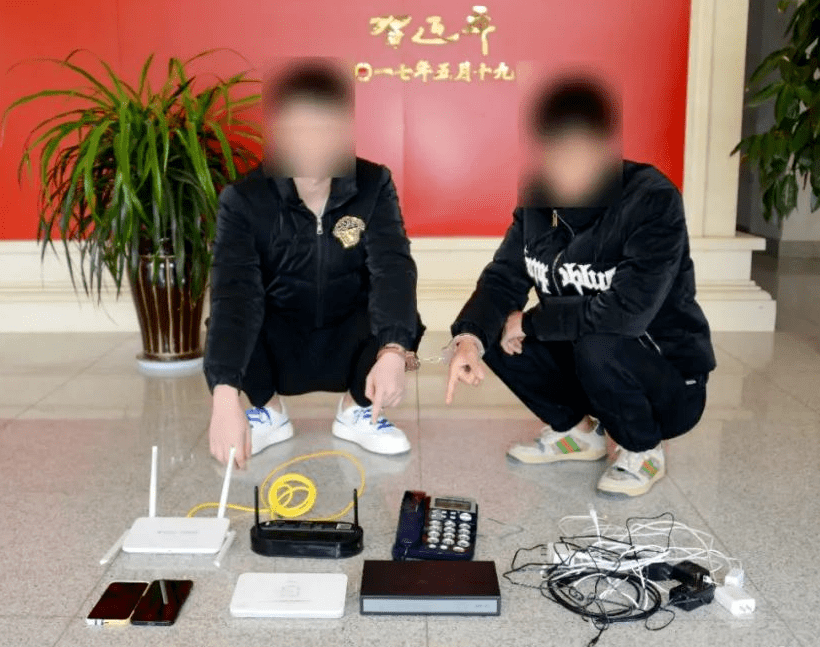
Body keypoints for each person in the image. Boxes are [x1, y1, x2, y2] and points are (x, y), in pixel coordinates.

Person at [445, 75, 716, 497]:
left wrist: (530, 322)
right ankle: (577, 433)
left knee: (599, 341)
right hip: (587, 366)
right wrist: (469, 338)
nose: (562, 167)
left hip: (665, 379)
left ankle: (643, 447)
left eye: (577, 152)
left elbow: (627, 312)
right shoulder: (539, 197)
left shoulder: (652, 199)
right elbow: (504, 277)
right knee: (493, 326)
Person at [205, 61, 423, 468]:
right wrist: (224, 396)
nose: (312, 143)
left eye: (325, 128)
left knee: (401, 315)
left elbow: (393, 269)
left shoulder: (374, 183)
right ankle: (267, 412)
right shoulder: (243, 198)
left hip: (349, 332)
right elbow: (235, 297)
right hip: (279, 336)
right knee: (230, 317)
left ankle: (358, 410)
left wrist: (394, 350)